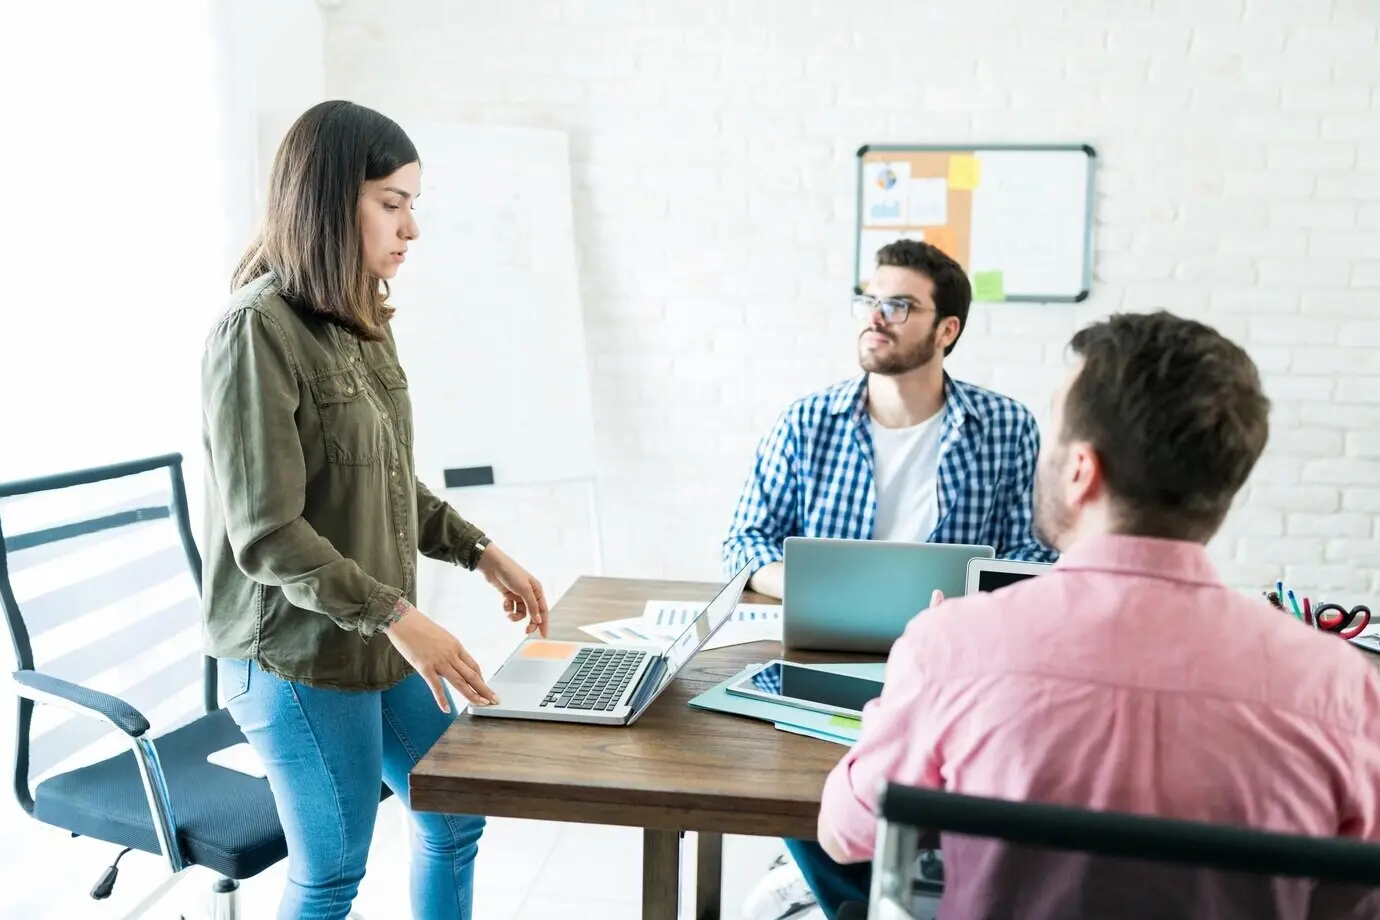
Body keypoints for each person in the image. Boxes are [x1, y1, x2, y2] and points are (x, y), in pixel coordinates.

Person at [790, 310, 1380, 919]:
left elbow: (844, 833)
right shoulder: (1341, 686)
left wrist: (912, 687)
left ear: (1080, 471)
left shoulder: (952, 647)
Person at [200, 100, 549, 920]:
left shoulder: (361, 321)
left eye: (412, 205)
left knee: (455, 809)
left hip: (373, 638)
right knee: (331, 870)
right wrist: (399, 615)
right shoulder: (255, 331)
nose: (411, 228)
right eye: (391, 203)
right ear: (328, 199)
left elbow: (387, 478)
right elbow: (268, 535)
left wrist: (480, 551)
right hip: (296, 656)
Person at [722, 240, 1055, 603]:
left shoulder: (1007, 428)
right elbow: (745, 541)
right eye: (869, 301)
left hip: (952, 638)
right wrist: (815, 593)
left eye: (899, 306)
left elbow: (1033, 552)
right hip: (828, 633)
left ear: (946, 330)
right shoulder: (805, 423)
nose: (875, 317)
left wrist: (969, 610)